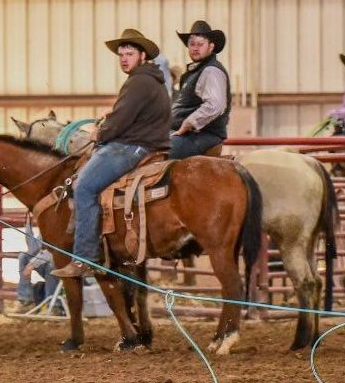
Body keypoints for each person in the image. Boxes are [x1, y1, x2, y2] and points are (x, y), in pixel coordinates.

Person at [53, 29, 171, 279]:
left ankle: (85, 256)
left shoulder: (138, 81)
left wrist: (100, 132)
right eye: (121, 55)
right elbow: (127, 114)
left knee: (84, 186)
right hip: (144, 143)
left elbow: (121, 120)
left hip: (132, 147)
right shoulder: (149, 80)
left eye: (129, 53)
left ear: (142, 55)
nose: (124, 59)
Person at [169, 20, 231, 159]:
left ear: (211, 46)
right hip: (192, 135)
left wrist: (188, 123)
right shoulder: (196, 71)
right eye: (192, 44)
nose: (195, 48)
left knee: (157, 153)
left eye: (200, 44)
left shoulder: (211, 71)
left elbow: (215, 105)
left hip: (202, 136)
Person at [16, 219, 57, 312]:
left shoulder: (58, 222)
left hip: (62, 265)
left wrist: (32, 265)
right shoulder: (46, 225)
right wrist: (28, 225)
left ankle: (51, 305)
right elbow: (34, 248)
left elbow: (52, 251)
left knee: (53, 266)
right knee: (23, 257)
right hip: (46, 260)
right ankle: (26, 300)